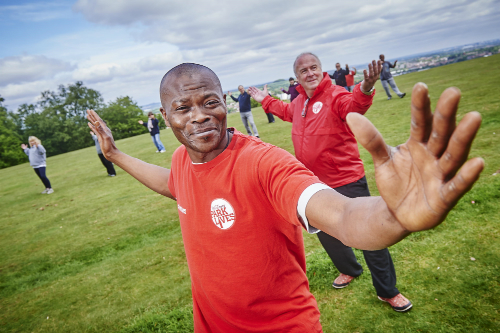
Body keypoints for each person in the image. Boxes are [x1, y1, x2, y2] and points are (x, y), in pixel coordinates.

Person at [88, 63, 483, 332]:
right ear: (165, 115)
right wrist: (115, 155)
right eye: (183, 108)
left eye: (210, 102)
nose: (199, 116)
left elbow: (342, 215)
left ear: (224, 101)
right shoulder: (181, 159)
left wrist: (394, 215)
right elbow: (171, 182)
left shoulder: (263, 163)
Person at [248, 53, 405, 312]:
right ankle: (349, 270)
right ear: (297, 77)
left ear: (321, 70)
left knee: (370, 234)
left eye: (314, 68)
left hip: (347, 179)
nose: (309, 73)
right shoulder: (298, 102)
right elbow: (284, 110)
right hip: (314, 184)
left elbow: (354, 106)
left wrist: (365, 87)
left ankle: (388, 291)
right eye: (303, 70)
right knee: (329, 234)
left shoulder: (336, 95)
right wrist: (263, 100)